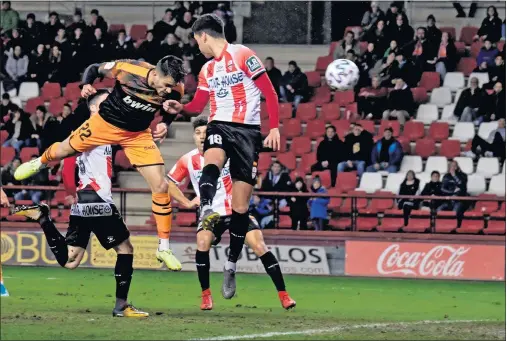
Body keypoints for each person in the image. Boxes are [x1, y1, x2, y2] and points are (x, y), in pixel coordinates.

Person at [13, 56, 186, 271]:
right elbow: (94, 68)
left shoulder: (177, 88)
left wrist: (166, 123)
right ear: (157, 74)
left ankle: (164, 247)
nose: (169, 90)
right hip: (105, 124)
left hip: (137, 135)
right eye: (166, 85)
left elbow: (171, 108)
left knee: (160, 186)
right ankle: (40, 161)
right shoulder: (129, 70)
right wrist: (87, 84)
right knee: (64, 149)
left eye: (173, 86)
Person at [164, 14, 281, 292]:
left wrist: (274, 128)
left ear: (203, 35)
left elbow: (270, 92)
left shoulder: (243, 54)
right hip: (219, 125)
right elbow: (197, 106)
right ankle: (206, 207)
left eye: (196, 40)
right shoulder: (207, 70)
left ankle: (231, 265)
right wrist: (180, 108)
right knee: (212, 158)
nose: (198, 47)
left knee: (241, 208)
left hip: (248, 131)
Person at [14, 90, 148, 318]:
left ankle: (43, 218)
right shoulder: (93, 129)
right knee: (125, 249)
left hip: (84, 202)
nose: (111, 107)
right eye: (106, 103)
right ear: (95, 109)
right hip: (97, 200)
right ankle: (121, 306)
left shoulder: (99, 130)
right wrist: (68, 191)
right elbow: (67, 161)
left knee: (70, 260)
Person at [167, 116, 295, 310]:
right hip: (212, 214)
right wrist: (185, 202)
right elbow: (169, 182)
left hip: (235, 210)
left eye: (206, 133)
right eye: (198, 133)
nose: (202, 137)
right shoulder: (188, 159)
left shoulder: (229, 152)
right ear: (193, 136)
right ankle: (206, 296)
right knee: (202, 243)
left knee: (259, 245)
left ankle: (284, 295)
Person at [439, 160, 468, 227]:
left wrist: (454, 175)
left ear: (457, 167)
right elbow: (442, 189)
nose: (452, 167)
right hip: (448, 200)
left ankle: (453, 227)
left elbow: (462, 186)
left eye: (454, 166)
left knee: (454, 212)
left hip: (459, 200)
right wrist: (452, 192)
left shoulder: (463, 175)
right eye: (451, 166)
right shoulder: (446, 176)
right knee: (439, 210)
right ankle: (441, 227)